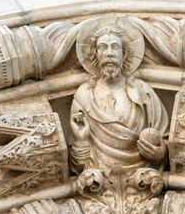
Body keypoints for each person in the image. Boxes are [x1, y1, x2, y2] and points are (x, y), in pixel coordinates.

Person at [70, 26, 168, 174]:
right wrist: (82, 140)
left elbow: (166, 140)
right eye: (103, 47)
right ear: (95, 54)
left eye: (115, 47)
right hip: (99, 178)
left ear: (124, 53)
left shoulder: (143, 91)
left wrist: (161, 153)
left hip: (145, 176)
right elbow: (78, 165)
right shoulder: (84, 96)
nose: (109, 53)